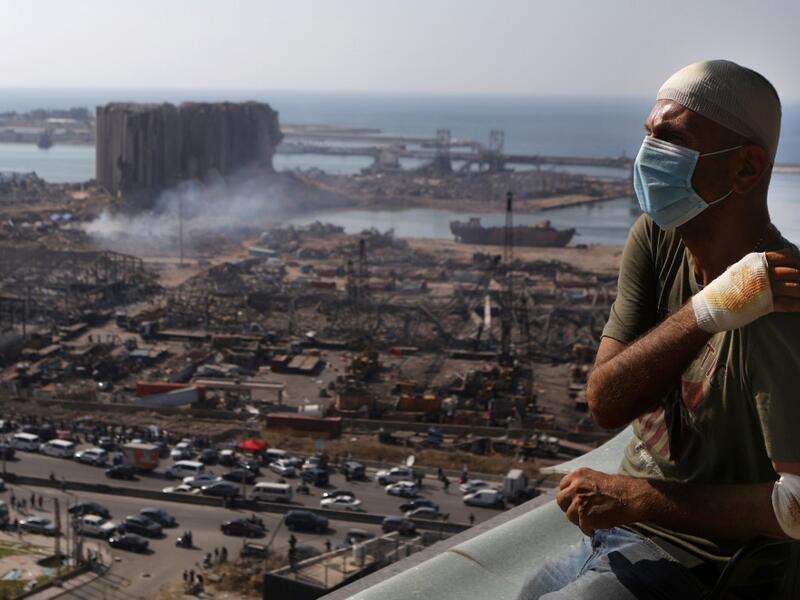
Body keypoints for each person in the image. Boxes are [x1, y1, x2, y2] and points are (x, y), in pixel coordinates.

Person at [520, 60, 800, 600]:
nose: (648, 157)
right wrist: (706, 311)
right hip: (621, 533)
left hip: (711, 561)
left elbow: (794, 508)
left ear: (746, 168)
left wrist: (634, 497)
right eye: (649, 135)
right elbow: (605, 401)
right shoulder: (658, 237)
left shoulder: (781, 299)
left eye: (671, 139)